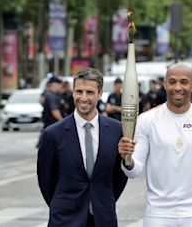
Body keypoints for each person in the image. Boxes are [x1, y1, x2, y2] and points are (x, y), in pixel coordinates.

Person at [118, 63, 192, 227]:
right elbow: (134, 171)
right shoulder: (147, 120)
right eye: (172, 81)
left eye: (183, 82)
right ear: (165, 84)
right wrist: (127, 158)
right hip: (158, 214)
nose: (177, 87)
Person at [37, 68, 128, 227]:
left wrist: (102, 199)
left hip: (103, 218)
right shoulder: (53, 134)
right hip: (65, 219)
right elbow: (46, 179)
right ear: (73, 92)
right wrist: (62, 204)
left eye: (89, 92)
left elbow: (119, 176)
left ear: (100, 94)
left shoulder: (117, 131)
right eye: (79, 91)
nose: (83, 97)